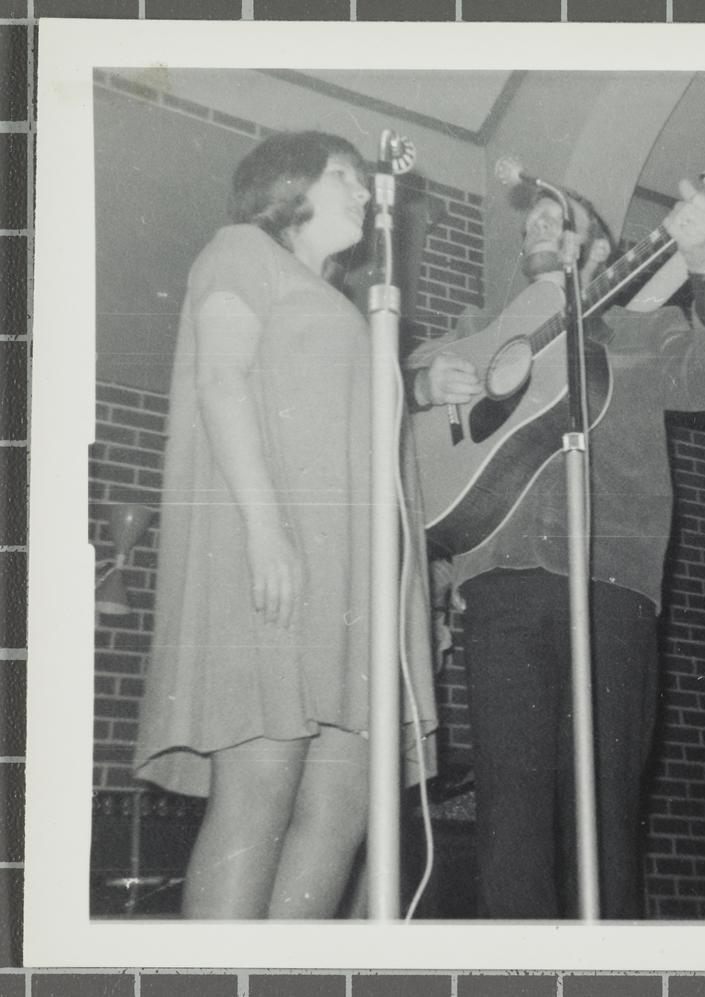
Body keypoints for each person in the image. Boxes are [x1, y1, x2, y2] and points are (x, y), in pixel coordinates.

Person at [407, 179, 705, 918]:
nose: (540, 221)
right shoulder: (481, 327)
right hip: (498, 583)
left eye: (561, 218)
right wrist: (421, 379)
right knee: (511, 816)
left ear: (601, 252)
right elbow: (407, 380)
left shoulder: (637, 327)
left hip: (610, 582)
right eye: (532, 219)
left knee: (602, 812)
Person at [133, 131, 437, 919]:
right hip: (278, 555)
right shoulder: (242, 251)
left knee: (341, 809)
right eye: (347, 177)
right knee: (259, 795)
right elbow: (222, 381)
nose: (367, 193)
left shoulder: (353, 302)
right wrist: (267, 530)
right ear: (290, 184)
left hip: (354, 580)